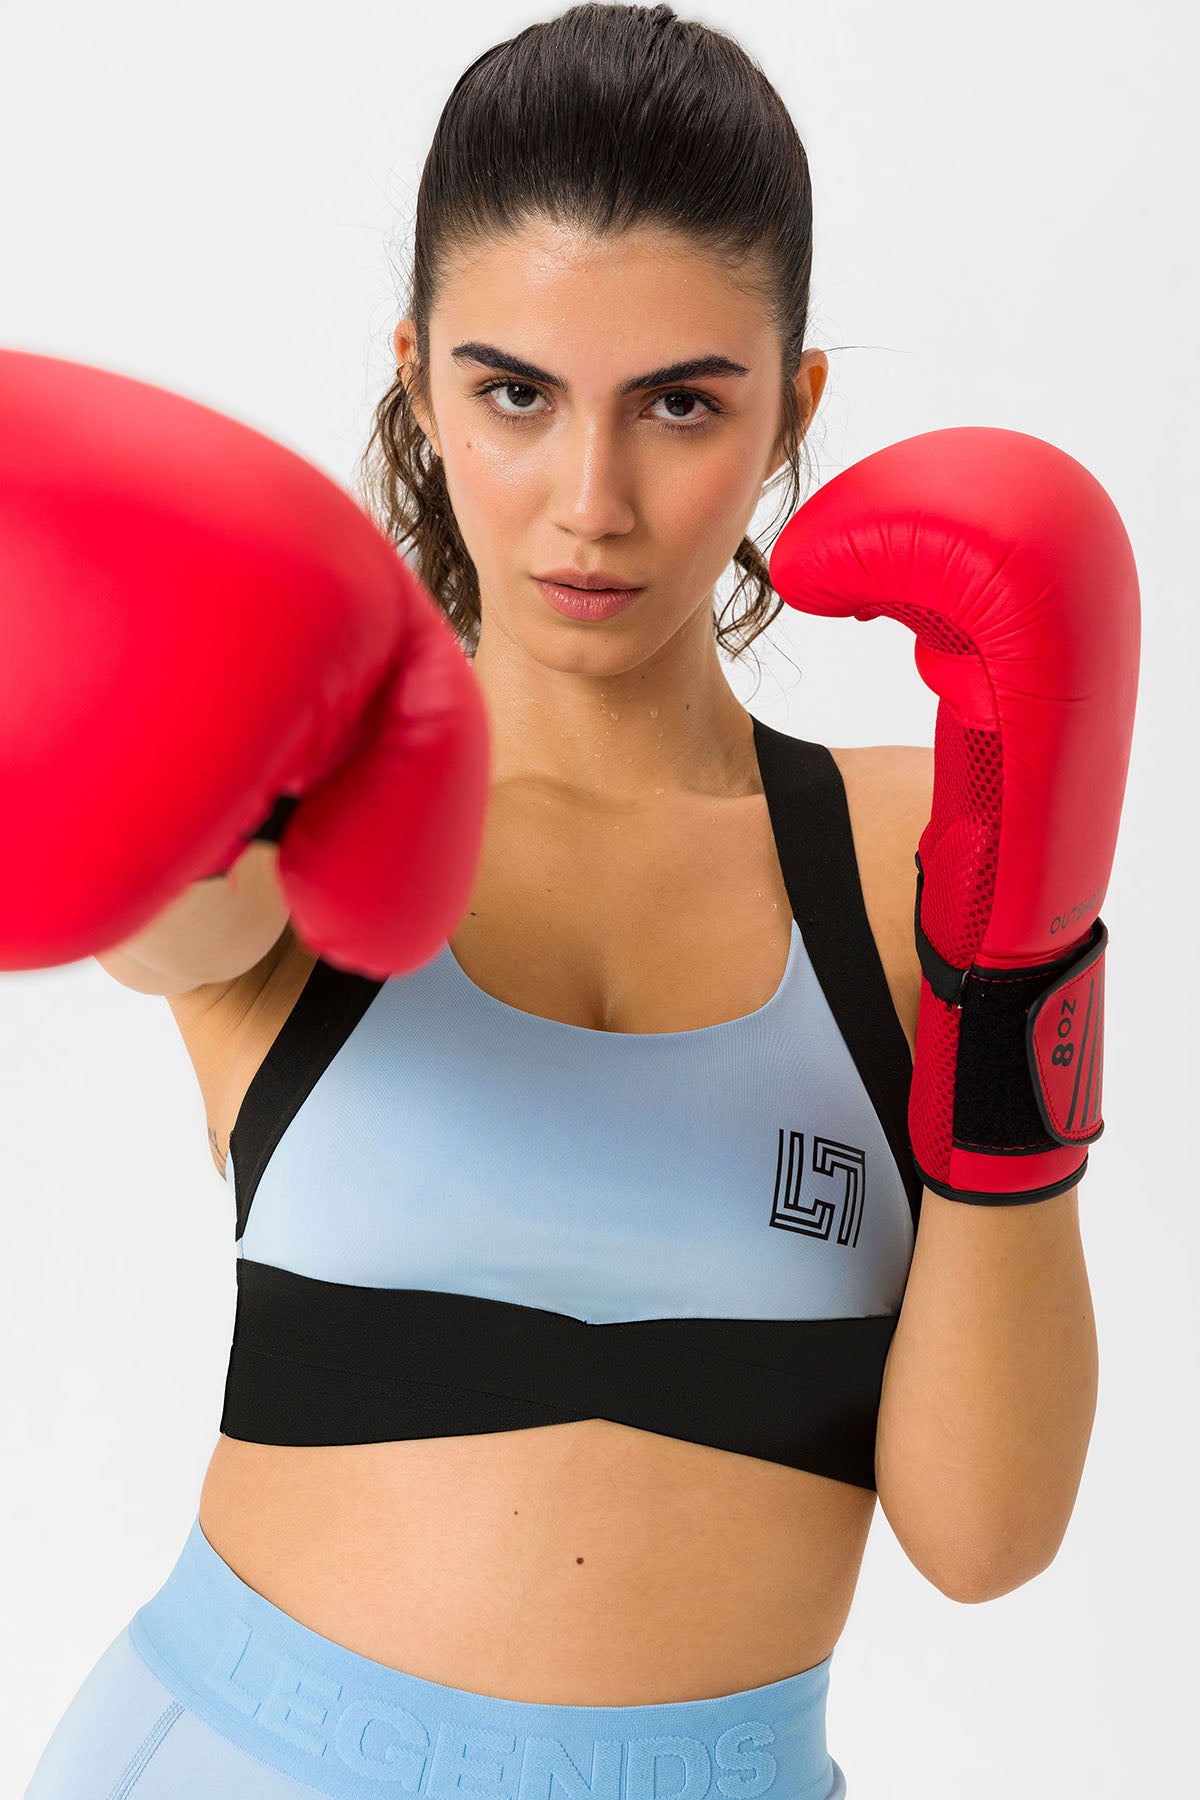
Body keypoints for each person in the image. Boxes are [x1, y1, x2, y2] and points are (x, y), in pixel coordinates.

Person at [21, 5, 1120, 1794]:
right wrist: (161, 715)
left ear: (791, 412)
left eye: (681, 403)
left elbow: (986, 1534)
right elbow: (157, 916)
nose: (591, 503)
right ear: (419, 379)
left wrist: (1021, 960)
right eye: (514, 394)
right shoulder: (306, 816)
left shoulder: (920, 849)